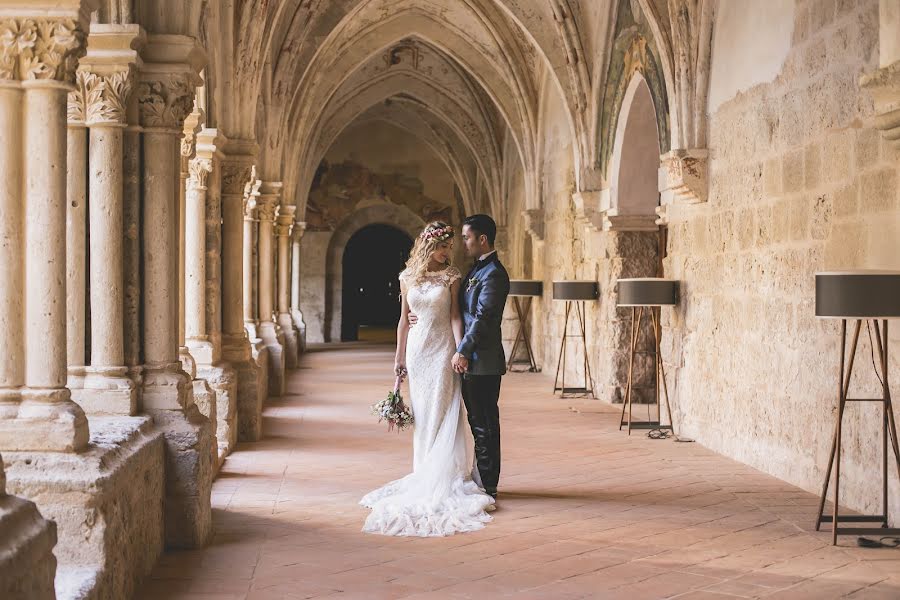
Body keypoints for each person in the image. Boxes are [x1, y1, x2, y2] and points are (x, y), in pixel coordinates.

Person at [359, 221, 495, 537]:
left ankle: (444, 473)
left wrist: (461, 350)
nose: (448, 251)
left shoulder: (452, 277)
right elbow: (403, 322)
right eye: (443, 245)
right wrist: (398, 358)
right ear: (427, 246)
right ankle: (424, 471)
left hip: (443, 350)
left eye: (450, 245)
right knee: (423, 414)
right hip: (418, 353)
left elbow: (455, 317)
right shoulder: (407, 277)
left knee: (443, 409)